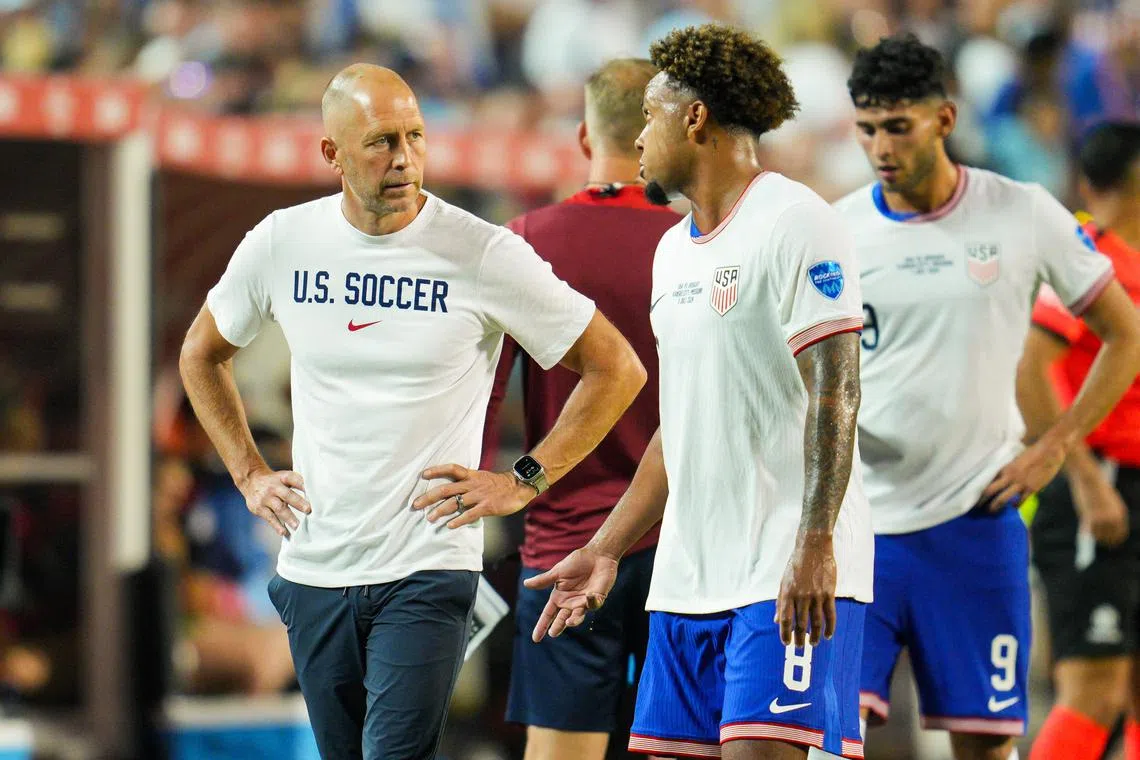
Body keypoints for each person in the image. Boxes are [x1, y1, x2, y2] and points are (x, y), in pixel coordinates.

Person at [177, 63, 647, 760]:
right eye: (381, 142)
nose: (404, 158)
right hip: (316, 570)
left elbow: (617, 367)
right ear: (331, 153)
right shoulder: (284, 240)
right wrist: (250, 474)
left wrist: (523, 479)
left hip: (428, 566)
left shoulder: (483, 252)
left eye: (416, 137)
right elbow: (200, 353)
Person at [526, 24, 874, 760]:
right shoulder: (671, 250)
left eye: (651, 115)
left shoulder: (797, 219)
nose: (639, 138)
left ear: (695, 118)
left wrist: (814, 542)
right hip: (687, 582)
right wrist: (607, 550)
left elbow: (837, 391)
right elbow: (676, 428)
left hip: (784, 570)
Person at [836, 35, 1140, 760]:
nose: (880, 146)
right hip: (860, 528)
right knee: (826, 735)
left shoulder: (1022, 212)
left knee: (983, 745)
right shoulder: (835, 231)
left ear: (944, 119)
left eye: (897, 126)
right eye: (867, 128)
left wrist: (1056, 447)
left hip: (977, 527)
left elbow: (1124, 335)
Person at [480, 58, 678, 760]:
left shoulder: (525, 240)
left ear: (584, 137)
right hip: (682, 550)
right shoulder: (700, 247)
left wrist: (502, 484)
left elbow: (483, 394)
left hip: (565, 542)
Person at [1021, 122, 1140, 760]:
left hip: (1131, 488)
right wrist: (1088, 481)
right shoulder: (1086, 256)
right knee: (1094, 688)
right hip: (1099, 489)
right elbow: (1032, 371)